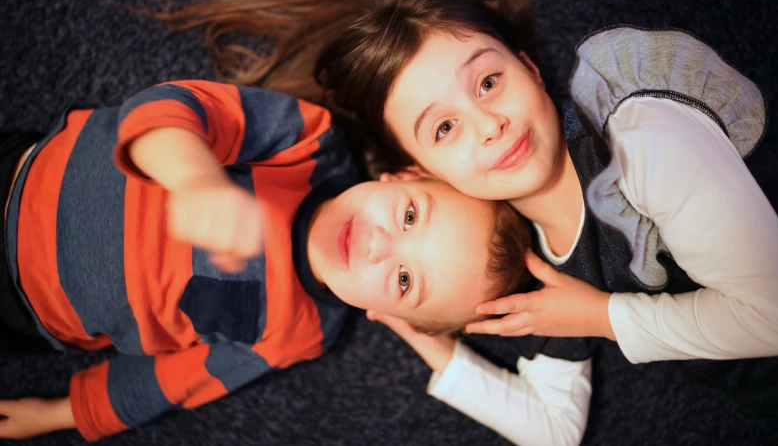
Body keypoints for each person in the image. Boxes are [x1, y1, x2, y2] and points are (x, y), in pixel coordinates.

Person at [160, 0, 778, 423]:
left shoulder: (642, 138)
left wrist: (603, 317)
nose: (490, 126)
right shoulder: (515, 259)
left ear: (530, 68)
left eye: (488, 82)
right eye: (445, 128)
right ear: (424, 171)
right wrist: (418, 328)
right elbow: (553, 429)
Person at [0, 80, 542, 441]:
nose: (379, 246)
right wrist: (193, 178)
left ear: (387, 315)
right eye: (408, 218)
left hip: (30, 309)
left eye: (403, 280)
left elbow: (177, 379)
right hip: (24, 180)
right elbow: (165, 106)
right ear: (404, 177)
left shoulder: (299, 332)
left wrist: (61, 415)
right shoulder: (308, 141)